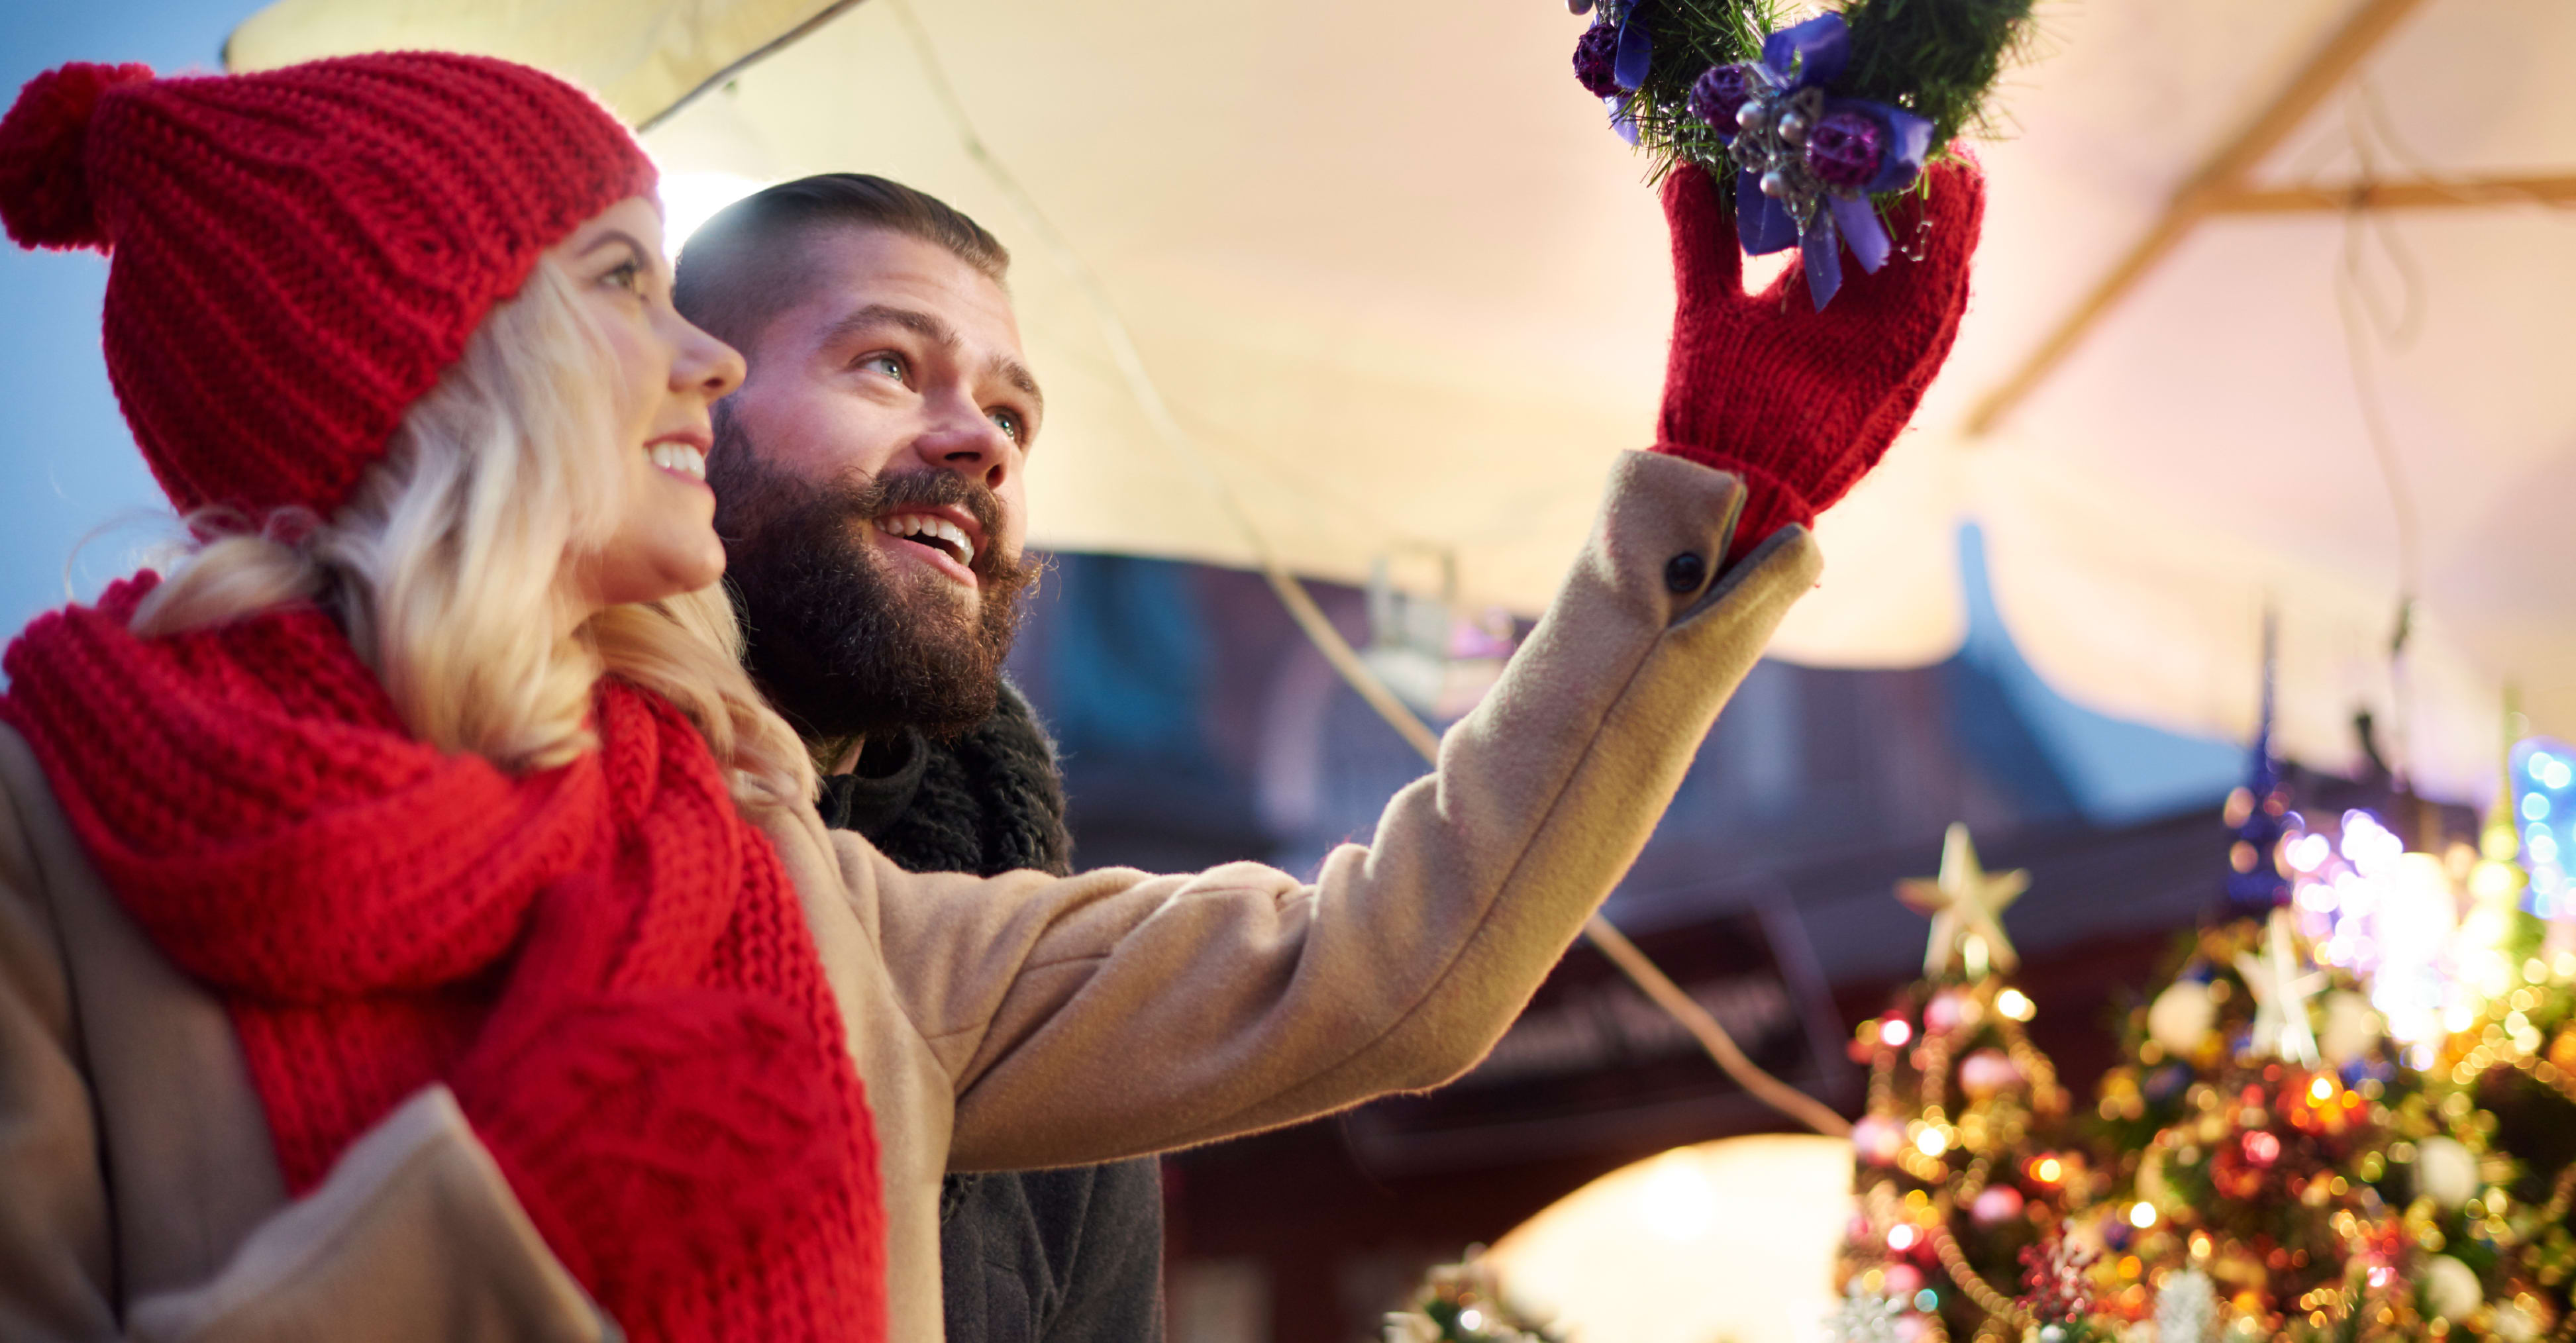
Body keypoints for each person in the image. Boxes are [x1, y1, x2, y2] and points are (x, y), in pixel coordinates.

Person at [0, 49, 1974, 1343]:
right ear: (442, 352)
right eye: (623, 285)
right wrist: (511, 1218)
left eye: (1014, 405)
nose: (682, 355)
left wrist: (1723, 491)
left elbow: (1379, 968)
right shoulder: (45, 835)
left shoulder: (787, 877)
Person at [674, 175, 1155, 1343]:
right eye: (888, 363)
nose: (980, 444)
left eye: (1014, 418)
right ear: (684, 414)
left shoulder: (1042, 994)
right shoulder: (487, 811)